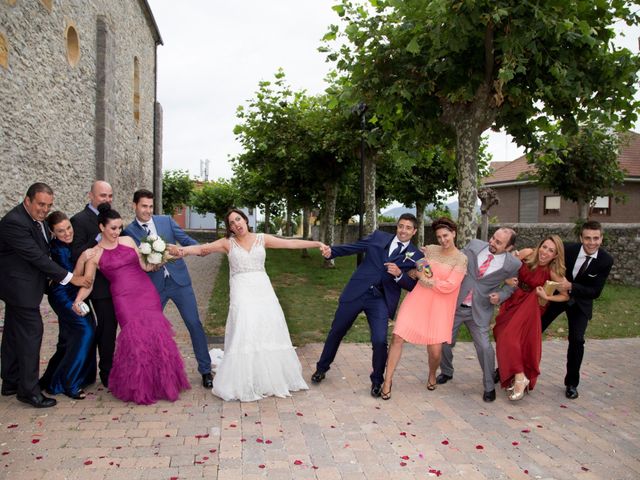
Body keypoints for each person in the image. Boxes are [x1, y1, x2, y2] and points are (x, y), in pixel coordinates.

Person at [179, 208, 326, 402]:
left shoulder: (262, 239)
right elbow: (202, 249)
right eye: (231, 223)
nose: (236, 225)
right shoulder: (227, 243)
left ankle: (268, 378)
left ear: (246, 220)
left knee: (266, 328)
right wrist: (181, 251)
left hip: (263, 290)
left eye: (238, 219)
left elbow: (290, 243)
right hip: (241, 291)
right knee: (245, 328)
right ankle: (245, 379)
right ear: (229, 228)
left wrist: (317, 243)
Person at [72, 204, 190, 405]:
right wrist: (78, 299)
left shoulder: (127, 240)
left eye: (119, 227)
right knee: (136, 339)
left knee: (156, 334)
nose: (117, 232)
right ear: (102, 227)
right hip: (123, 298)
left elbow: (144, 266)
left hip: (145, 291)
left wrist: (160, 258)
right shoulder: (95, 253)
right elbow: (86, 282)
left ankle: (161, 382)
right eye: (113, 228)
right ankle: (141, 386)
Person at [311, 213, 424, 397]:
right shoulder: (379, 236)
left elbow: (412, 286)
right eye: (401, 226)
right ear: (397, 227)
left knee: (380, 340)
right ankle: (321, 368)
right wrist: (332, 251)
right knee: (337, 330)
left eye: (408, 227)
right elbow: (356, 247)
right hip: (357, 291)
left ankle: (377, 381)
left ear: (414, 231)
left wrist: (399, 275)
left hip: (380, 299)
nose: (403, 230)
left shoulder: (416, 255)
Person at [0, 183, 90, 408]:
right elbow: (37, 258)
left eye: (48, 205)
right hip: (19, 289)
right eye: (41, 204)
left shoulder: (36, 221)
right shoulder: (14, 222)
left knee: (13, 334)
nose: (44, 209)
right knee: (33, 333)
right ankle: (29, 391)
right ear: (28, 200)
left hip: (21, 288)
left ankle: (10, 381)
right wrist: (71, 278)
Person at [123, 189, 213, 389]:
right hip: (153, 287)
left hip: (179, 282)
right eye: (143, 206)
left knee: (194, 323)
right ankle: (145, 373)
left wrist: (197, 249)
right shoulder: (129, 232)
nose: (147, 211)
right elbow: (132, 262)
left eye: (150, 206)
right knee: (148, 330)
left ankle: (206, 370)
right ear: (134, 206)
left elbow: (185, 239)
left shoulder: (165, 221)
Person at [381, 218, 467, 400]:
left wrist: (423, 277)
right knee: (397, 336)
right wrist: (419, 271)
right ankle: (387, 381)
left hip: (440, 307)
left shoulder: (461, 259)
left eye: (445, 235)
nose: (443, 240)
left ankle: (432, 374)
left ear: (454, 233)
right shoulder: (429, 250)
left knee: (435, 351)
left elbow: (449, 286)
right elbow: (421, 267)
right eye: (439, 237)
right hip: (418, 299)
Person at [437, 228, 521, 402]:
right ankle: (446, 371)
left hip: (480, 310)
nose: (492, 243)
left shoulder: (513, 264)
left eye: (499, 243)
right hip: (456, 305)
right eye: (493, 238)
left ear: (509, 247)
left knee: (484, 348)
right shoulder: (474, 245)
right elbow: (455, 258)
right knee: (444, 342)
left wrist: (500, 296)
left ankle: (489, 386)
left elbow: (511, 287)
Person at [541, 221, 613, 400]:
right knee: (534, 329)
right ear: (581, 238)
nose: (591, 242)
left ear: (601, 239)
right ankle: (508, 370)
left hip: (581, 303)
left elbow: (595, 292)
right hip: (557, 297)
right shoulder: (567, 249)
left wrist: (571, 286)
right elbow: (543, 258)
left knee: (577, 340)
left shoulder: (605, 260)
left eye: (596, 238)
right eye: (587, 238)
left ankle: (571, 383)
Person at [494, 235, 569, 401]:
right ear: (539, 246)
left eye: (551, 251)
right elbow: (506, 267)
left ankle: (520, 376)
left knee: (509, 337)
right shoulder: (527, 253)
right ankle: (517, 374)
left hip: (531, 304)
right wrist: (507, 279)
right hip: (514, 298)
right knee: (500, 332)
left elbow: (565, 296)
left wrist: (548, 298)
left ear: (555, 255)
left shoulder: (553, 272)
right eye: (544, 247)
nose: (545, 252)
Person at [39, 211, 97, 399]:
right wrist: (82, 260)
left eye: (68, 228)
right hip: (63, 295)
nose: (67, 233)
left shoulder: (71, 243)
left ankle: (52, 379)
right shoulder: (58, 249)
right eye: (61, 231)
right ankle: (69, 383)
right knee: (85, 331)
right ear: (52, 232)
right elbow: (73, 277)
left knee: (67, 340)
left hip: (75, 293)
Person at [70, 180, 117, 388]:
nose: (107, 200)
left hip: (115, 284)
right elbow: (75, 252)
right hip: (95, 286)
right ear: (91, 196)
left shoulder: (113, 217)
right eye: (102, 196)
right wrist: (99, 239)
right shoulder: (79, 220)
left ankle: (109, 369)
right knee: (100, 331)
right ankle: (104, 374)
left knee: (109, 331)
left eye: (109, 196)